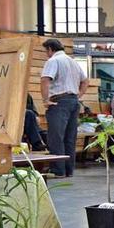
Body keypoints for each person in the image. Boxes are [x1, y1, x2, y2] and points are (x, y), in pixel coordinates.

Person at [41, 38, 89, 178]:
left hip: (59, 101)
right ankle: (69, 170)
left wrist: (45, 100)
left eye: (46, 51)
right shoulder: (73, 62)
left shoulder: (53, 61)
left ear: (50, 49)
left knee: (56, 137)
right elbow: (85, 81)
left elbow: (45, 79)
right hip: (73, 101)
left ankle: (57, 171)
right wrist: (78, 96)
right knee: (70, 137)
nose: (46, 54)